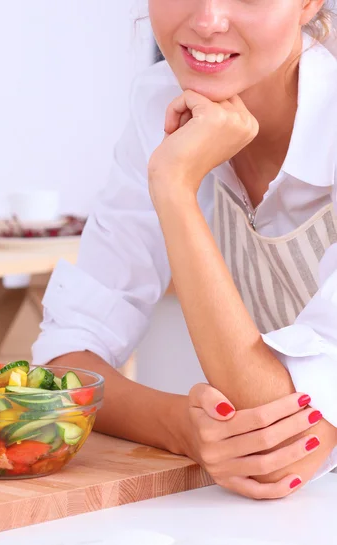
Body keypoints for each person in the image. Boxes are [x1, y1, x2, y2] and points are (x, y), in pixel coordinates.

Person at [32, 0, 337, 500]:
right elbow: (66, 360)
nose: (208, 20)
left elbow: (286, 452)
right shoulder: (159, 98)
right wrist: (183, 426)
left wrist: (174, 186)